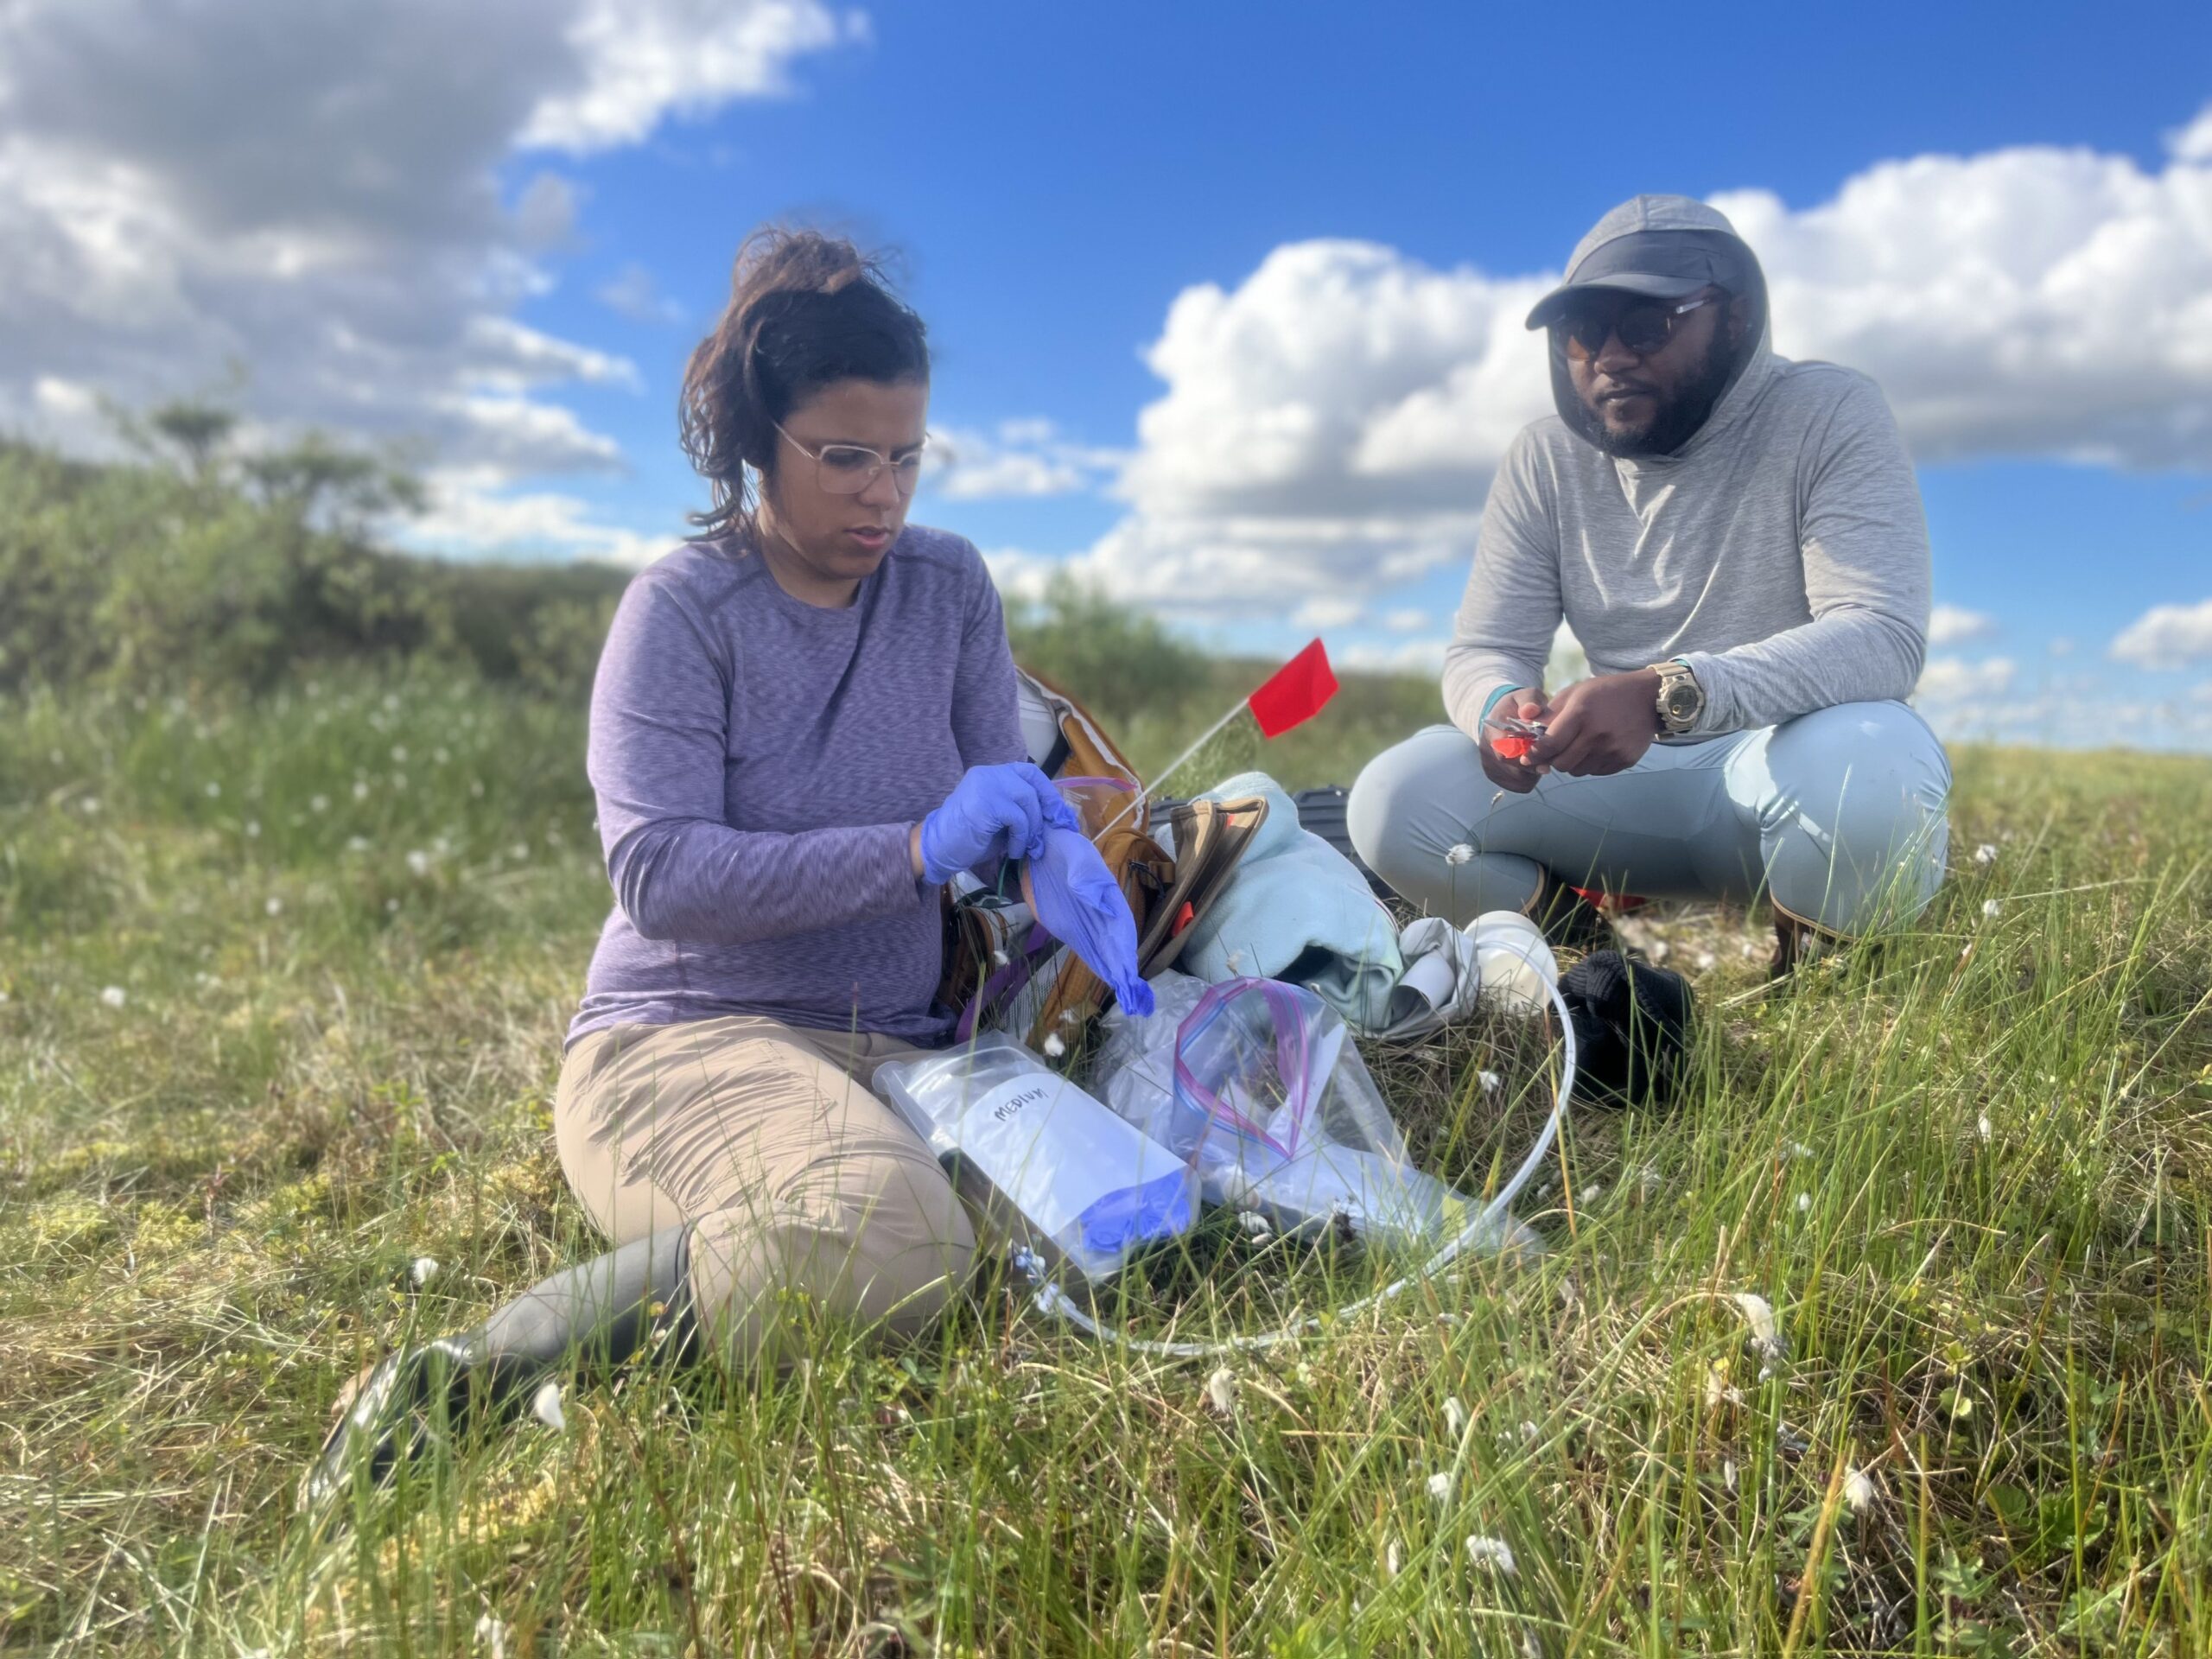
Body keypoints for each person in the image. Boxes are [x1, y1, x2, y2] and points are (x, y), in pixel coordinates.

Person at [307, 228, 1079, 1503]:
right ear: (756, 442)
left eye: (905, 457)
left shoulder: (949, 587)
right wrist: (907, 850)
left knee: (1122, 1221)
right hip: (685, 1038)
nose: (881, 495)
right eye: (843, 458)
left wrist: (1047, 869)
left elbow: (996, 816)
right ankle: (479, 1373)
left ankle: (732, 1248)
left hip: (903, 1052)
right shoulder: (683, 611)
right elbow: (661, 875)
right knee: (899, 1245)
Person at [1348, 194, 1951, 976]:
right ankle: (1595, 969)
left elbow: (1881, 634)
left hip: (1781, 770)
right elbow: (1489, 646)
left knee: (1871, 770)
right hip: (1613, 787)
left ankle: (1820, 983)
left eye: (1646, 326)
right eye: (1581, 333)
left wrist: (1665, 694)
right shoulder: (1543, 458)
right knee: (1394, 802)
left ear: (1732, 318)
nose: (1609, 356)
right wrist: (1499, 711)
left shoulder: (1829, 409)